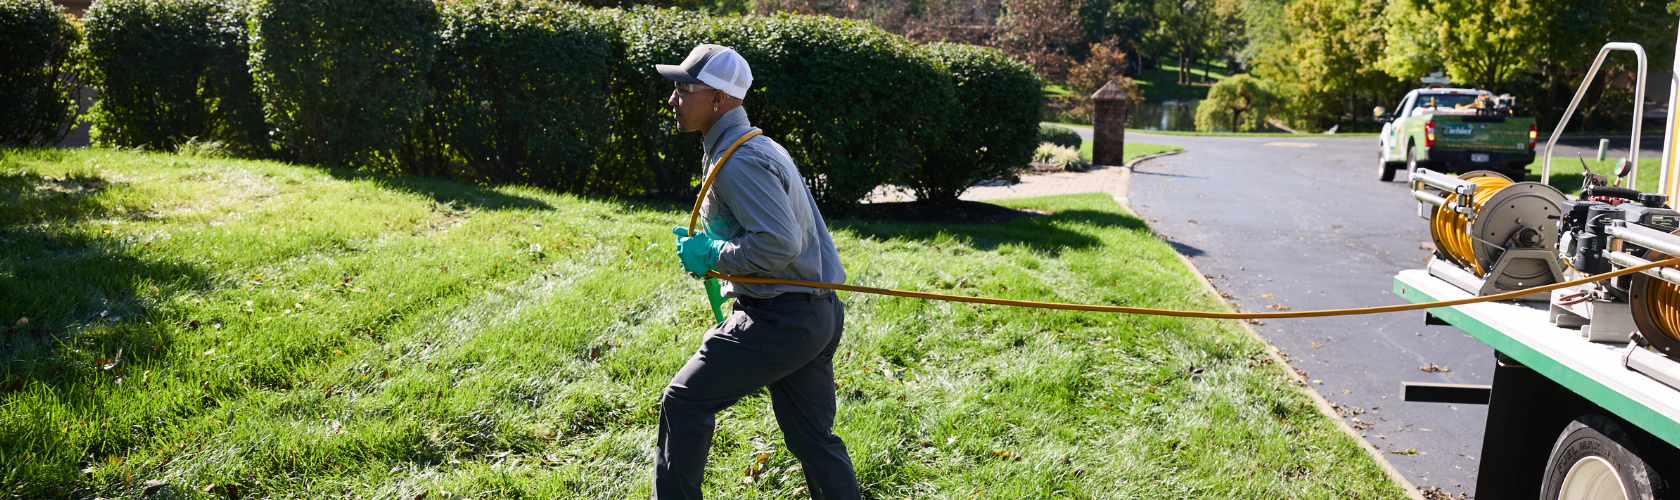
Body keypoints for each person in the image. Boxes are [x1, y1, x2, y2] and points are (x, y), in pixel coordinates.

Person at [653, 44, 861, 500]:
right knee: (812, 439)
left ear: (719, 99)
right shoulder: (752, 145)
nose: (673, 98)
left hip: (778, 320)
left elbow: (777, 244)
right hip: (816, 316)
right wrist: (715, 249)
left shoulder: (741, 159)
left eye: (685, 88)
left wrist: (712, 255)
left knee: (684, 402)